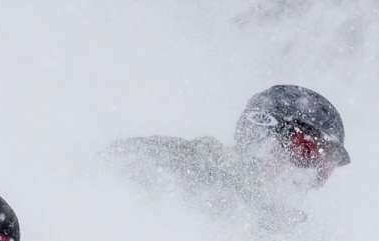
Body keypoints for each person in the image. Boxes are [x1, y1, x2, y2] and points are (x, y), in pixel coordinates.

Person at [105, 84, 351, 217]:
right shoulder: (178, 165)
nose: (307, 177)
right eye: (305, 152)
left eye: (324, 169)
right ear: (258, 136)